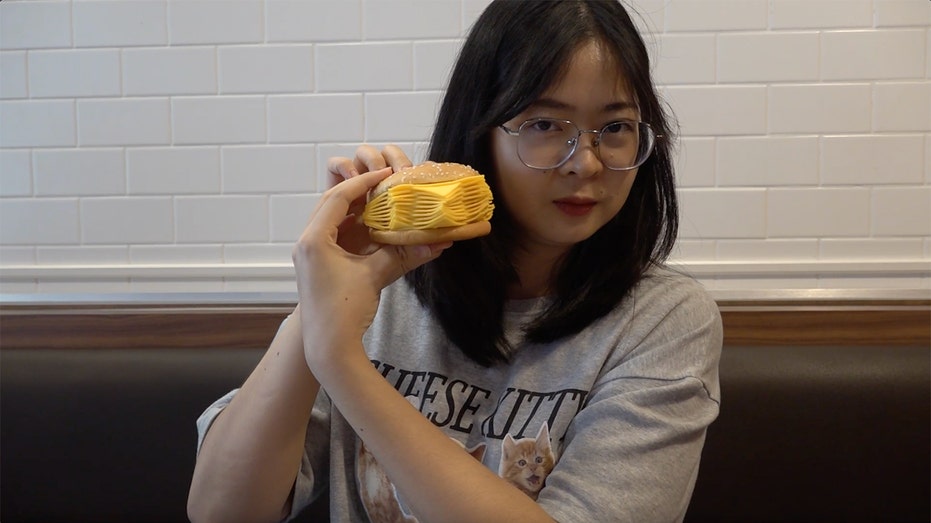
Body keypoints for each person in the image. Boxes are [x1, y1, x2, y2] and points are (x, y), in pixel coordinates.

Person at [187, 1, 722, 522]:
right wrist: (319, 305)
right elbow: (222, 509)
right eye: (543, 125)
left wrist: (340, 359)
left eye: (616, 128)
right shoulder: (386, 288)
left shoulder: (665, 320)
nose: (585, 162)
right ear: (479, 133)